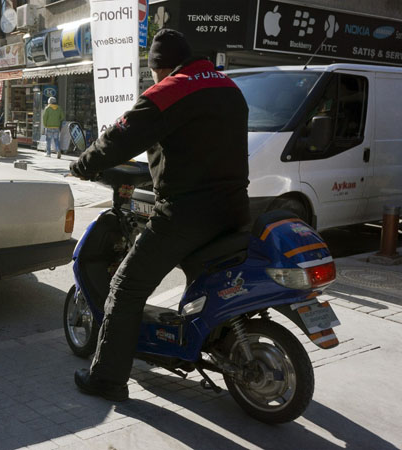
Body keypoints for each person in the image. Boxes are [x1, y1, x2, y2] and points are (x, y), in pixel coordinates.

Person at [69, 29, 250, 401]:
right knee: (207, 280)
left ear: (159, 67)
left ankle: (107, 380)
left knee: (126, 285)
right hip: (234, 208)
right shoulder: (228, 86)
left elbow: (122, 136)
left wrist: (84, 166)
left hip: (187, 214)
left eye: (152, 72)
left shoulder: (171, 89)